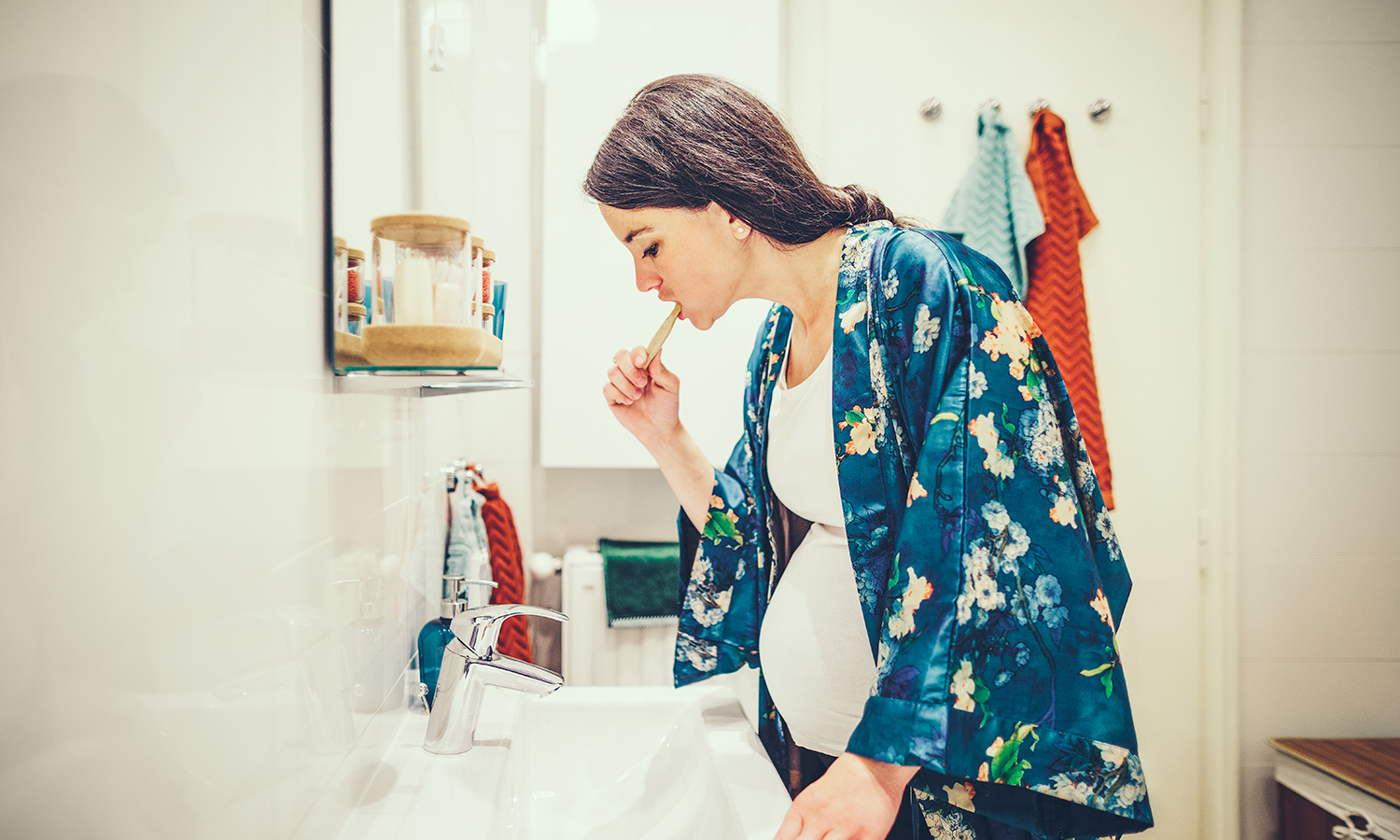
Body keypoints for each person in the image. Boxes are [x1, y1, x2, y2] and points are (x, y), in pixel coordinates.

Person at [588, 74, 1153, 840]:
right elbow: (754, 543)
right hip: (842, 768)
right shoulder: (777, 343)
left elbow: (994, 537)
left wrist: (880, 767)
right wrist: (664, 435)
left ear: (727, 206)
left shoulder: (921, 282)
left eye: (647, 244)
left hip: (939, 783)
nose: (643, 280)